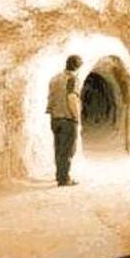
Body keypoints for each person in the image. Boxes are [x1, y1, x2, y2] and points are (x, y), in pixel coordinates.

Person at [46, 55, 82, 186]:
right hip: (67, 119)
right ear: (77, 67)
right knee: (67, 150)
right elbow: (71, 97)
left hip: (55, 118)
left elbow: (51, 97)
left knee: (58, 148)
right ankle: (64, 179)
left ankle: (59, 175)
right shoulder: (72, 79)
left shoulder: (54, 78)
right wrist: (76, 117)